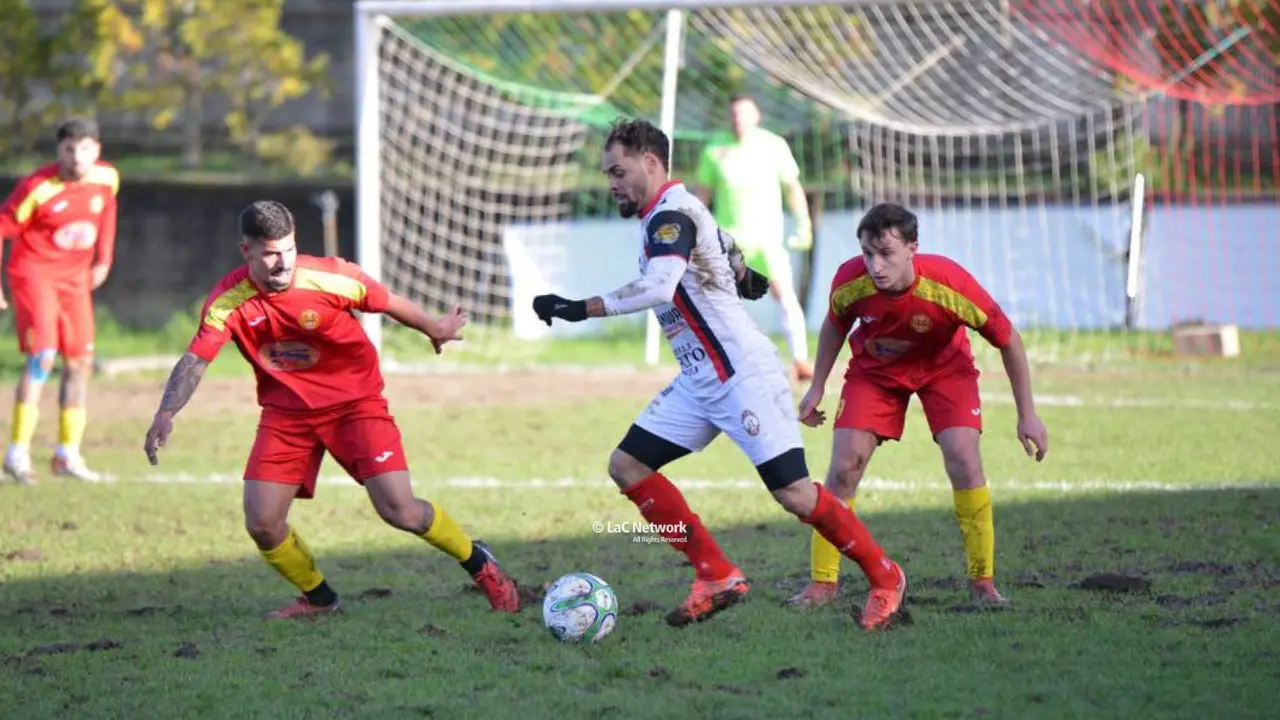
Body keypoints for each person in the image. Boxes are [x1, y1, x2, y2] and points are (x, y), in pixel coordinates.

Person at [532, 118, 907, 631]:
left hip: (741, 375)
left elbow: (659, 285)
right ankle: (715, 573)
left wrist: (580, 308)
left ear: (649, 162)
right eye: (607, 174)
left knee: (795, 494)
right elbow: (723, 242)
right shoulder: (675, 210)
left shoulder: (670, 216)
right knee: (628, 466)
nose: (611, 183)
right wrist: (740, 271)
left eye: (618, 171)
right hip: (699, 380)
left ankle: (886, 576)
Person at [142, 200, 520, 619]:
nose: (283, 262)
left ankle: (480, 563)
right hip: (287, 415)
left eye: (288, 249)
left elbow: (387, 301)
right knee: (262, 523)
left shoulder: (331, 276)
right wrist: (166, 412)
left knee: (401, 511)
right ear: (246, 251)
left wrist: (434, 327)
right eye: (270, 254)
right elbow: (196, 358)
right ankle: (319, 599)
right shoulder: (228, 302)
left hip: (355, 405)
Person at [786, 203, 1049, 609]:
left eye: (886, 253)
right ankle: (823, 582)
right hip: (875, 372)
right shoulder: (850, 280)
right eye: (867, 253)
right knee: (843, 468)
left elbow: (1009, 340)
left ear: (912, 248)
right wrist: (817, 385)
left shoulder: (949, 283)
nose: (875, 265)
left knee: (964, 459)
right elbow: (835, 323)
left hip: (945, 370)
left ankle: (983, 582)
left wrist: (1027, 414)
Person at [0, 118, 118, 485]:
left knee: (80, 362)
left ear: (96, 150)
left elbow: (108, 210)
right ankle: (17, 454)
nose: (77, 157)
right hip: (34, 275)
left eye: (84, 149)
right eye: (69, 149)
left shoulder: (107, 178)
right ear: (59, 151)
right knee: (43, 356)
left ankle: (67, 454)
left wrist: (104, 260)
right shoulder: (38, 187)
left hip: (75, 281)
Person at [695, 95, 814, 381]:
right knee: (720, 302)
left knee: (784, 295)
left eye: (744, 114)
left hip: (767, 239)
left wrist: (803, 222)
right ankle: (723, 362)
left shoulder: (773, 146)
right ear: (729, 117)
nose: (739, 119)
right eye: (734, 114)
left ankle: (800, 360)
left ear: (756, 117)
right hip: (728, 241)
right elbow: (702, 195)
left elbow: (792, 187)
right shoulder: (715, 149)